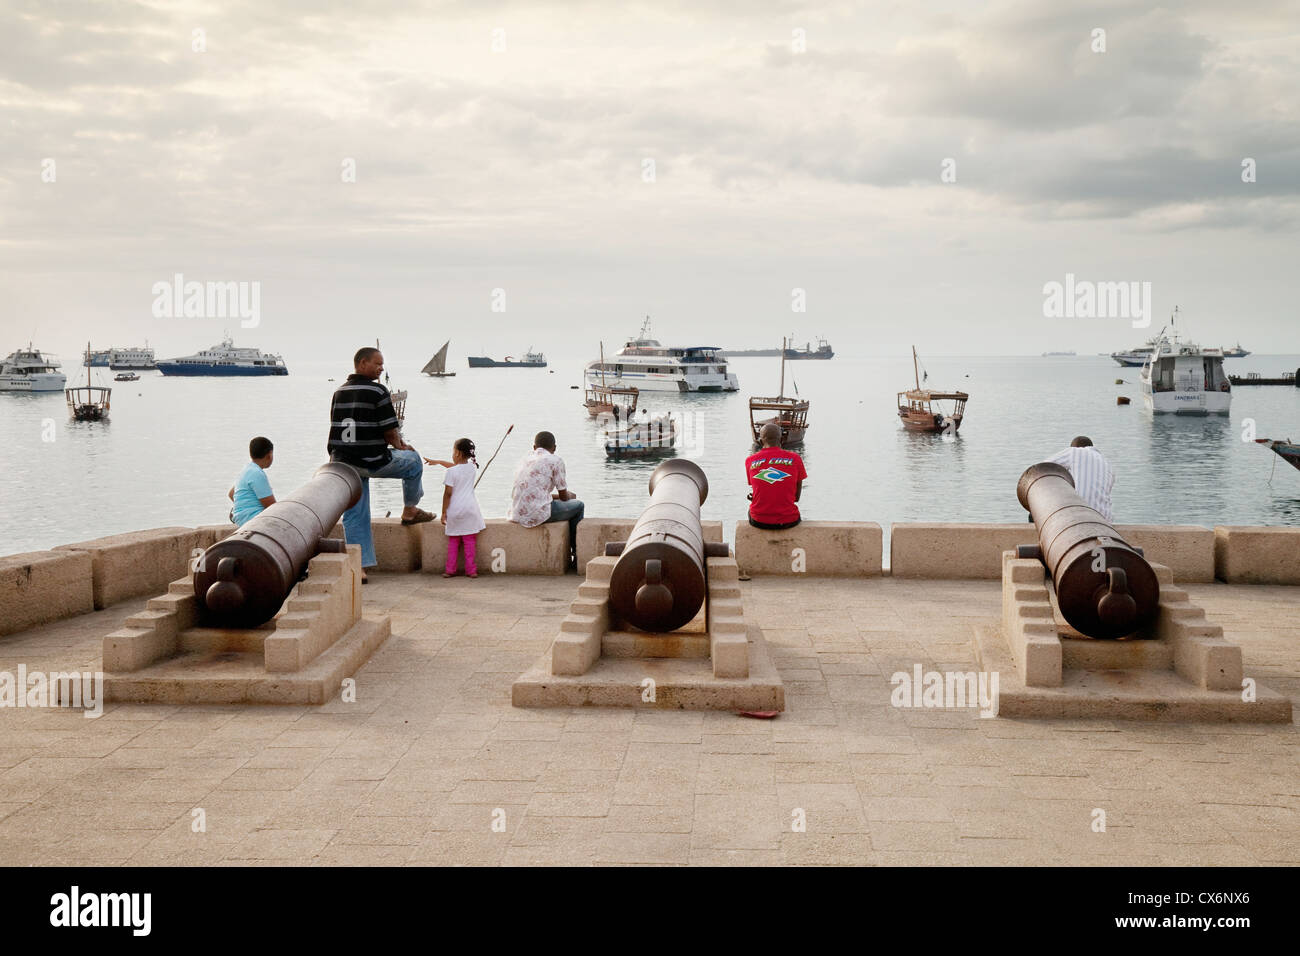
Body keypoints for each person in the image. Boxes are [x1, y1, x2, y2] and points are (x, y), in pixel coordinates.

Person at [327, 347, 433, 582]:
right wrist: (402, 447)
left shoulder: (339, 391)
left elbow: (336, 426)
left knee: (355, 514)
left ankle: (359, 567)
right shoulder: (377, 390)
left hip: (344, 462)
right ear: (362, 363)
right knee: (414, 462)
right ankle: (410, 509)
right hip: (372, 460)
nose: (381, 368)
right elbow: (390, 431)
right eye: (377, 364)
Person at [508, 430, 583, 570]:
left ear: (534, 447)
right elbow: (564, 497)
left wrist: (557, 497)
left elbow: (535, 491)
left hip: (516, 512)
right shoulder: (556, 460)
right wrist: (570, 495)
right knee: (578, 506)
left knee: (563, 503)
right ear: (554, 448)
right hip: (537, 513)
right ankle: (576, 555)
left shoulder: (525, 459)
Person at [424, 438, 486, 578]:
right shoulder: (472, 468)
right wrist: (439, 462)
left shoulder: (451, 472)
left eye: (453, 451)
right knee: (469, 542)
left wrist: (443, 512)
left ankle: (450, 570)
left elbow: (448, 494)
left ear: (457, 453)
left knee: (454, 542)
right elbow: (457, 468)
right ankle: (471, 571)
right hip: (470, 509)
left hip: (455, 510)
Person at [745, 423, 807, 529]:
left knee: (751, 510)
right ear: (782, 440)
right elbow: (796, 498)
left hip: (759, 521)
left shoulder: (750, 461)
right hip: (789, 520)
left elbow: (761, 486)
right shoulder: (795, 459)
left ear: (761, 442)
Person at [1047, 435, 1115, 522]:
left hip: (1078, 517)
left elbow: (1043, 466)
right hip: (1105, 519)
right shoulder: (1108, 465)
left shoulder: (1074, 452)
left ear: (1073, 447)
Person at [228, 436, 277, 526]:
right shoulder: (257, 473)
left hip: (241, 518)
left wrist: (243, 508)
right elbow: (271, 507)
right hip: (252, 519)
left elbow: (231, 494)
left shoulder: (247, 470)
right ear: (269, 455)